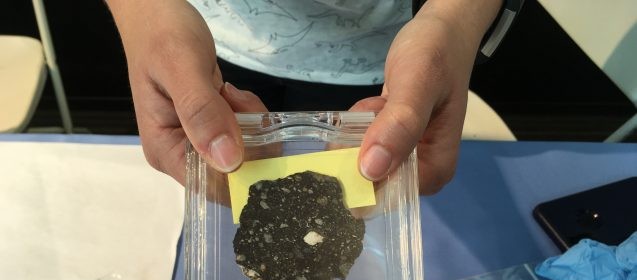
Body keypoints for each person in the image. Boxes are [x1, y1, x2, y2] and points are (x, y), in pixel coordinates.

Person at [104, 0, 504, 194]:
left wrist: (455, 22)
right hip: (205, 40)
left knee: (364, 193)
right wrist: (143, 13)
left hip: (384, 59)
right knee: (223, 183)